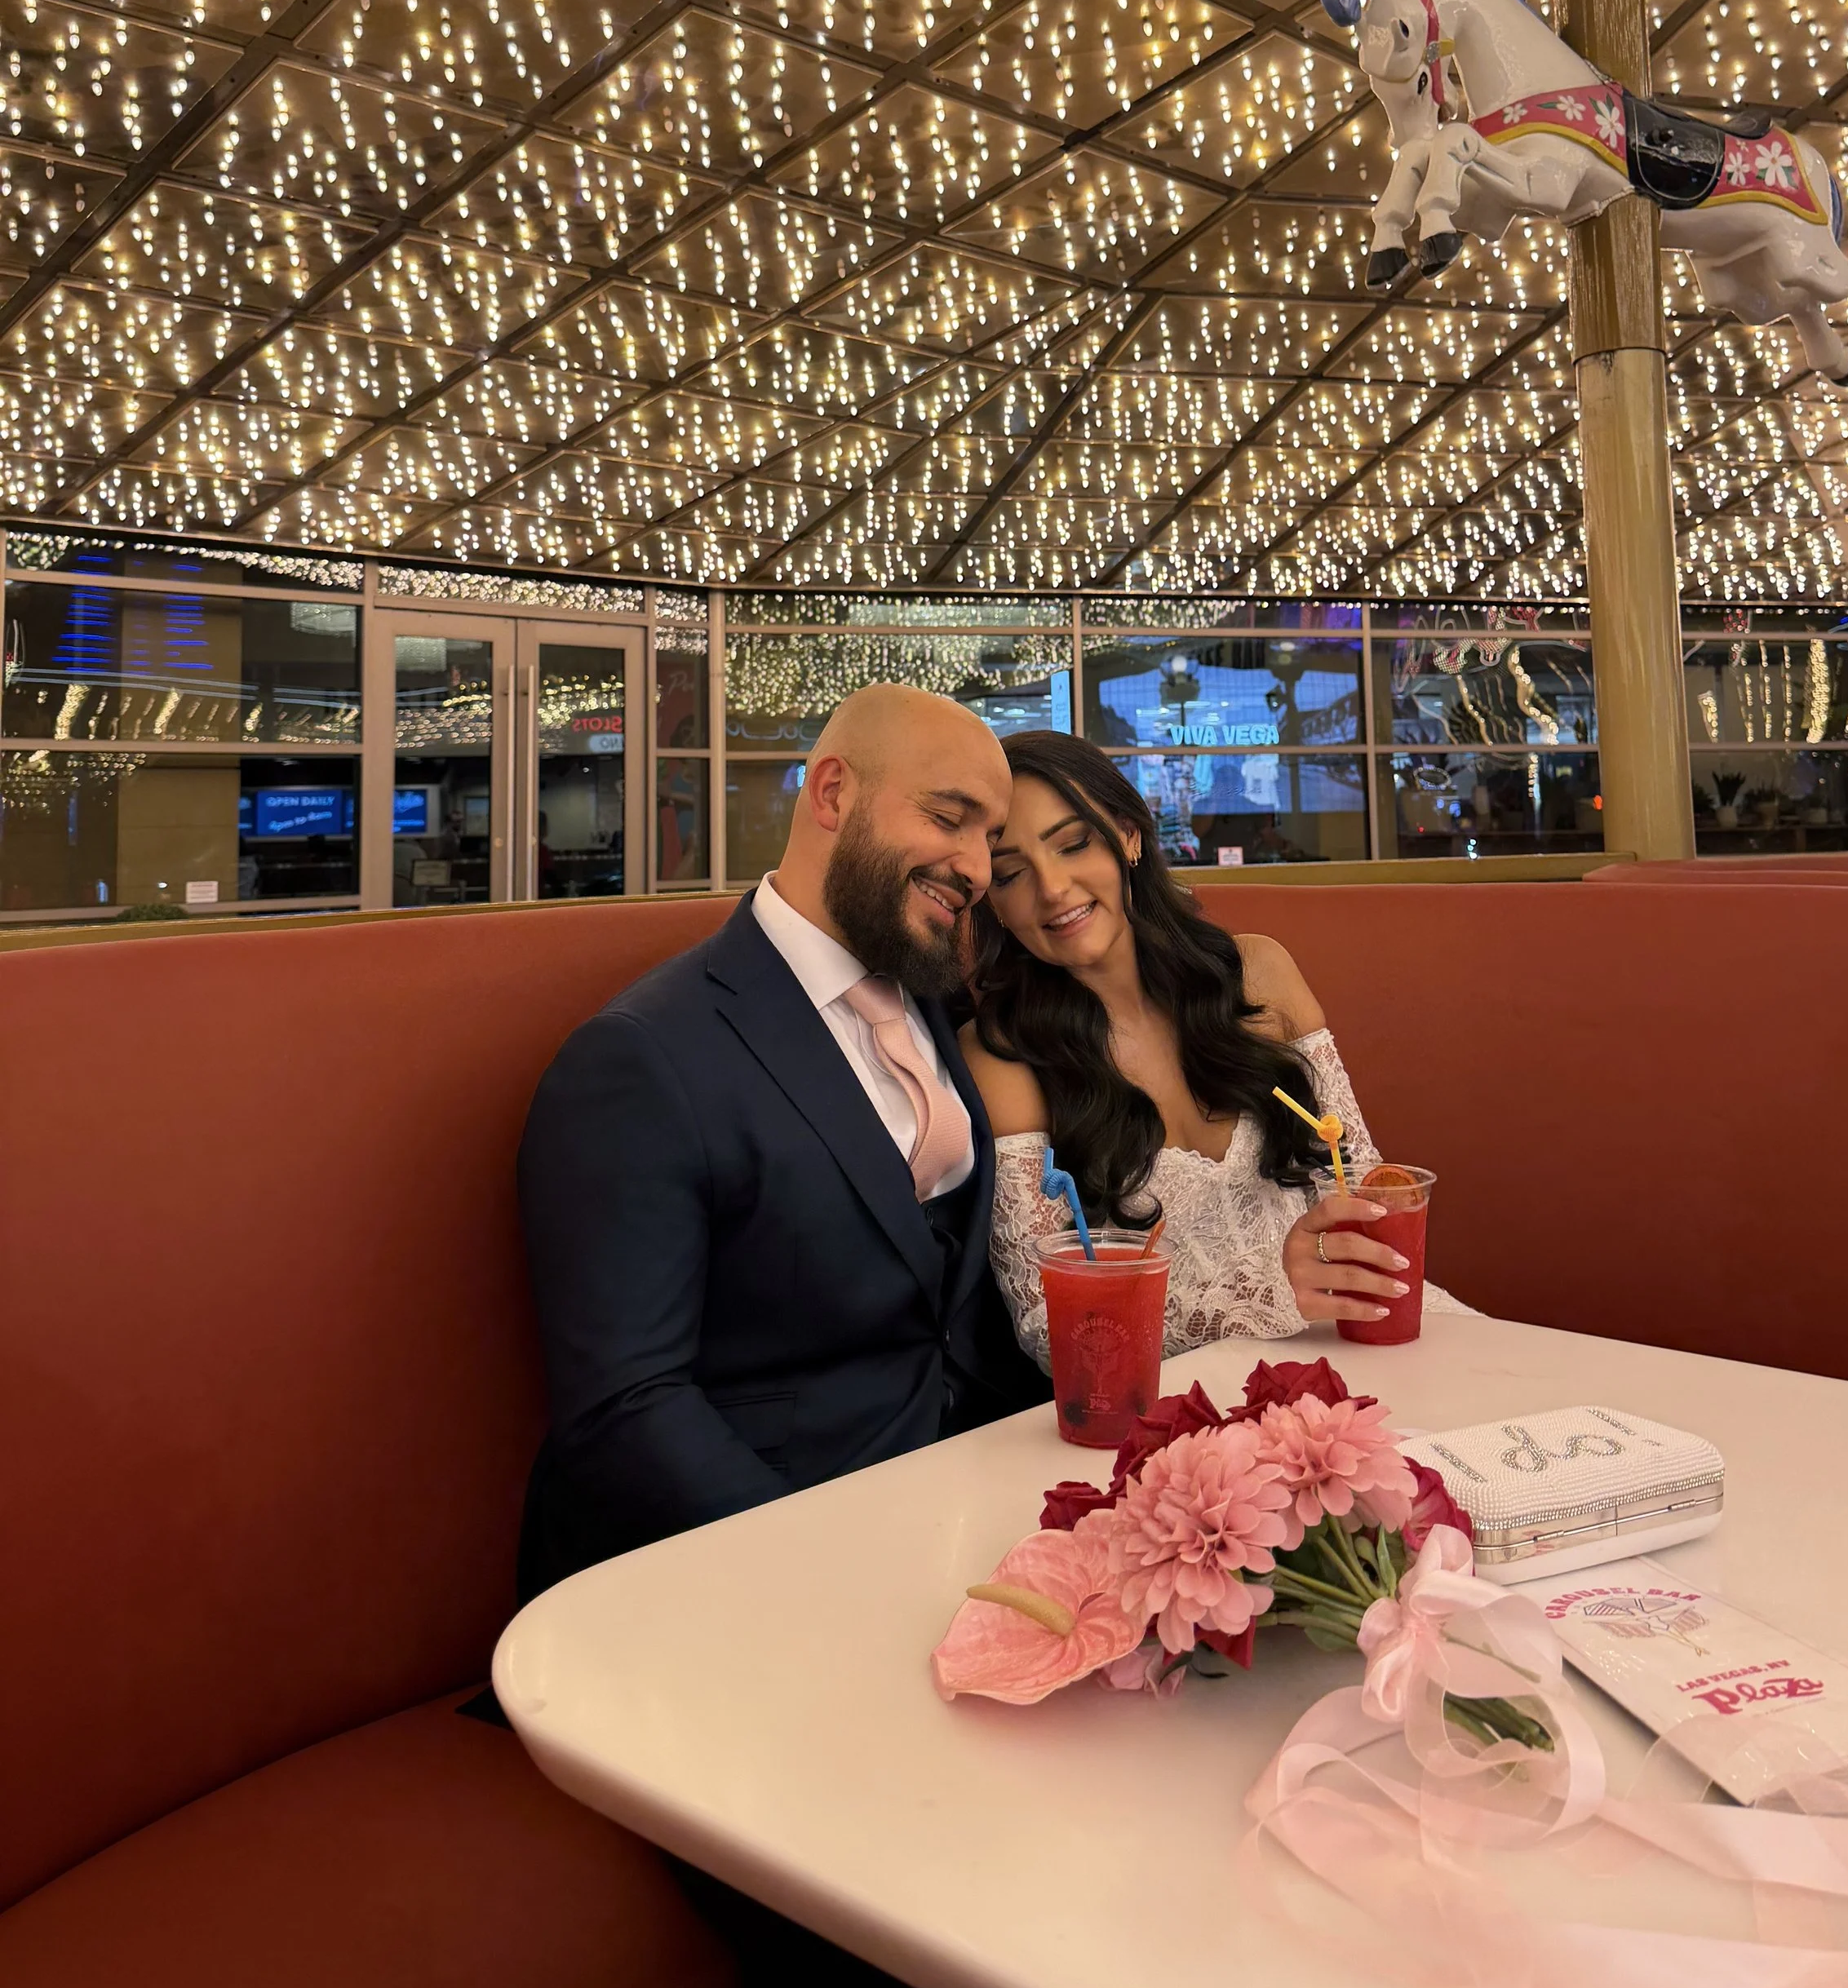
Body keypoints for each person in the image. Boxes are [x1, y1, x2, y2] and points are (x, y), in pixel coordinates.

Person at [516, 683, 1047, 1603]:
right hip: (746, 1568)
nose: (973, 868)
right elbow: (625, 1407)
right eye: (947, 818)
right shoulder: (642, 1057)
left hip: (958, 1522)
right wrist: (822, 1572)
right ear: (833, 793)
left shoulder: (933, 999)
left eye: (986, 843)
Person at [964, 733, 1467, 1361]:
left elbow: (1362, 1177)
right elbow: (1046, 1325)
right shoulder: (1003, 1058)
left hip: (1367, 1334)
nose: (1054, 887)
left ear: (1128, 837)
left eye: (1074, 844)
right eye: (1011, 873)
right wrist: (1269, 1292)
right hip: (1197, 1406)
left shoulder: (1260, 974)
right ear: (994, 902)